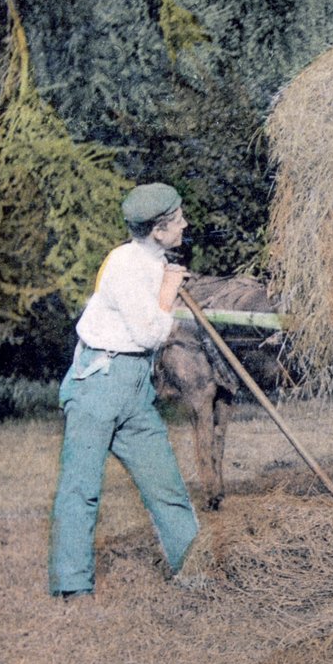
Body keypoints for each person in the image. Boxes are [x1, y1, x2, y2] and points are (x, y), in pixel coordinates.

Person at [49, 183, 199, 599]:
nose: (185, 223)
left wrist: (169, 284)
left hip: (134, 390)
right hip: (98, 381)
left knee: (166, 486)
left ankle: (195, 574)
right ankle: (72, 587)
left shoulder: (154, 261)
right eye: (177, 220)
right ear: (157, 230)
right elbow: (149, 333)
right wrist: (171, 302)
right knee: (81, 488)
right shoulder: (126, 266)